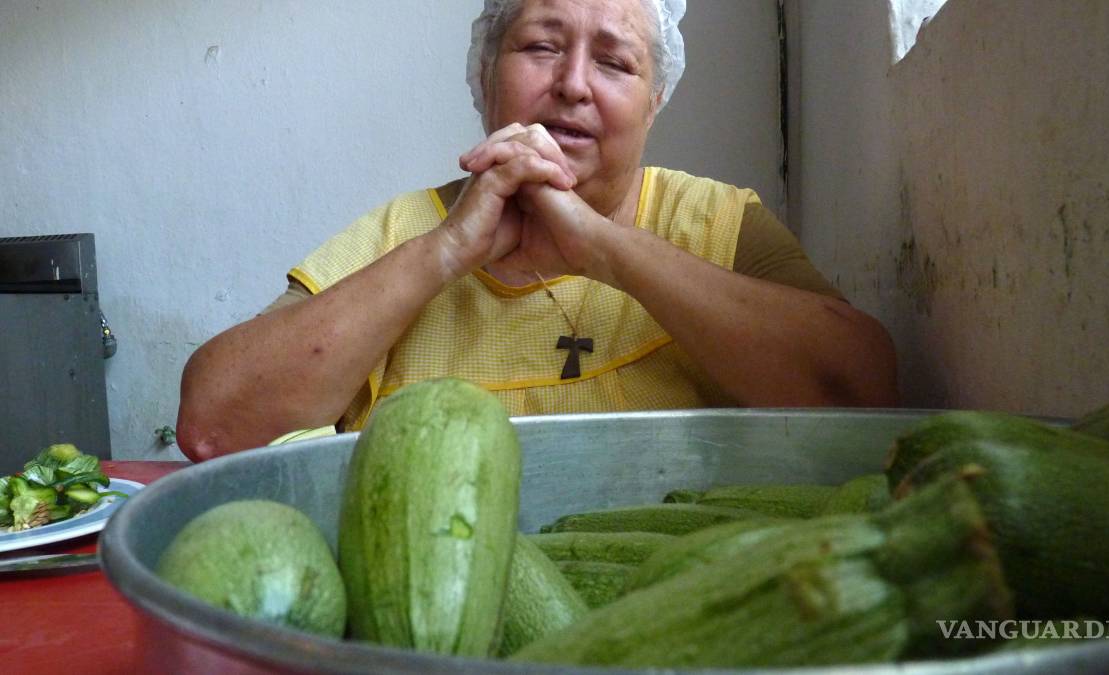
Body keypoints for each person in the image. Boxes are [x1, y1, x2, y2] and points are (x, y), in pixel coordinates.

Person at [176, 0, 899, 462]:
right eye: (541, 47)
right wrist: (447, 250)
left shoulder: (717, 224)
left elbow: (866, 394)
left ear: (654, 102)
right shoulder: (402, 235)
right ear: (485, 74)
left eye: (613, 62)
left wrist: (603, 246)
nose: (574, 84)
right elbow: (214, 426)